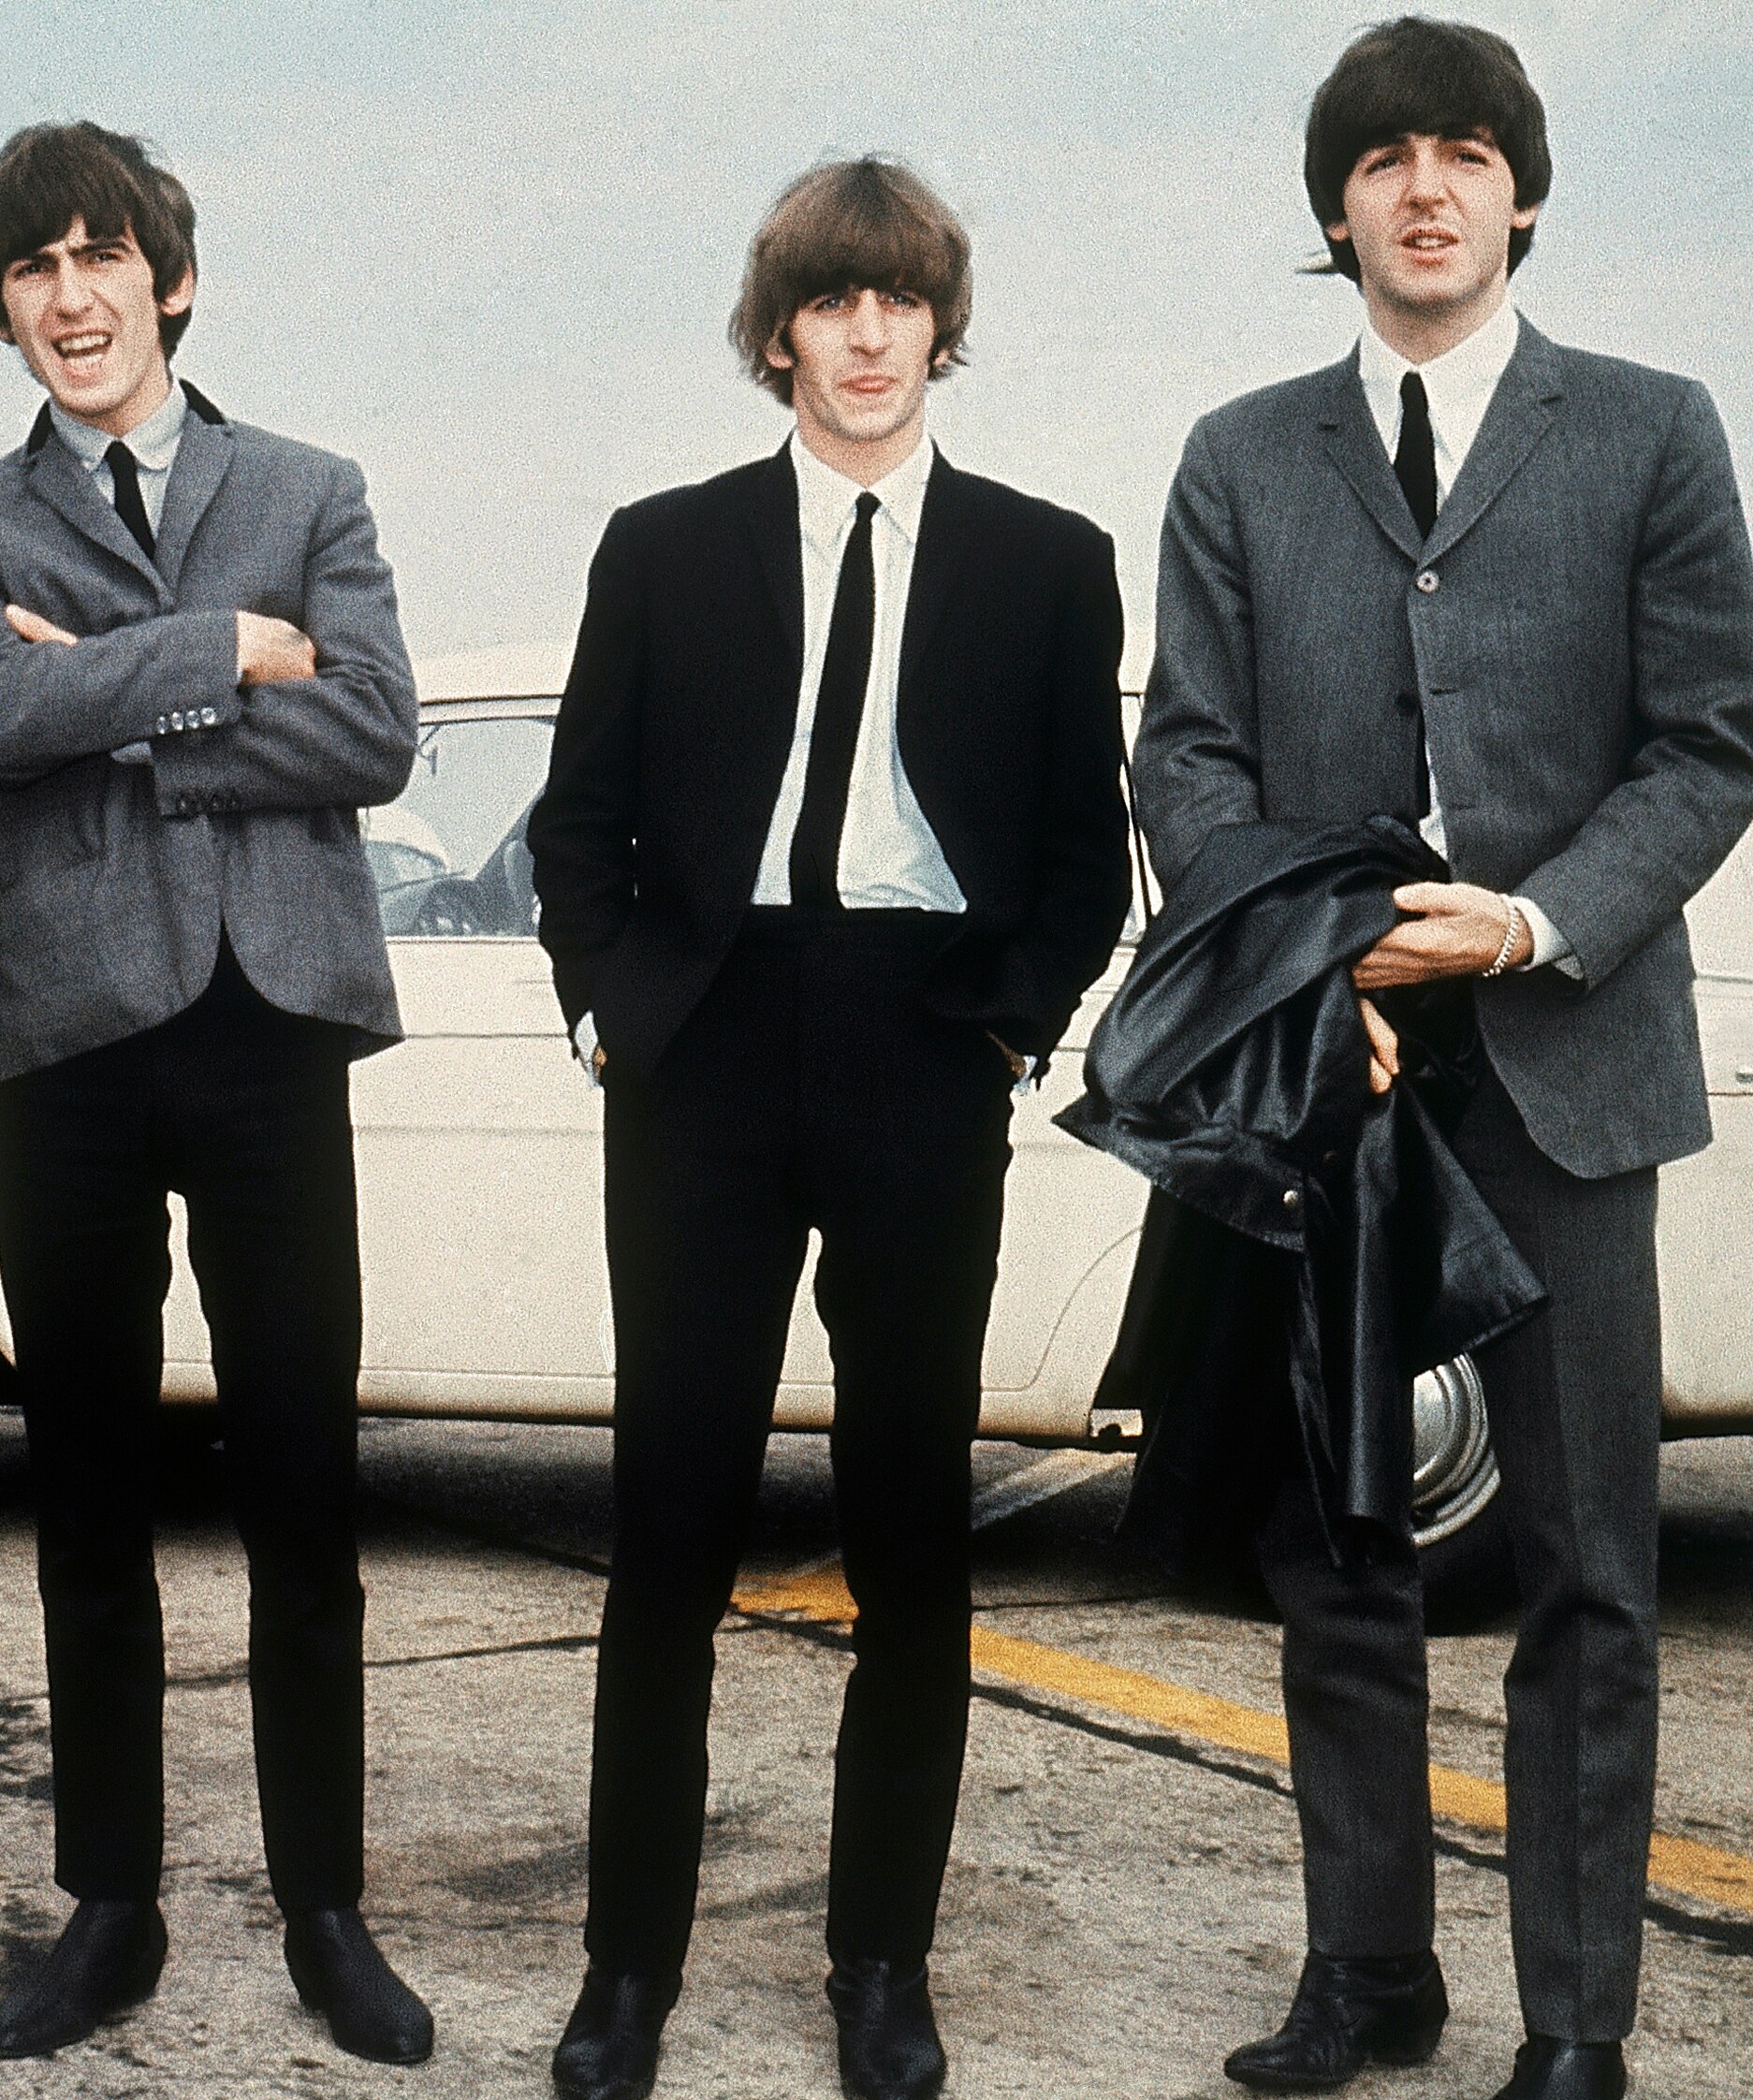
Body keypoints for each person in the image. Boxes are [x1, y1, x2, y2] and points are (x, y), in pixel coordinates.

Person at [1135, 22, 1753, 2100]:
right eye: (1387, 158)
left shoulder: (1652, 433)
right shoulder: (1240, 456)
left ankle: (1574, 2024)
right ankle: (1370, 1979)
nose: (1427, 187)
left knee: (1589, 1561)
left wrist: (1530, 918)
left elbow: (1708, 745)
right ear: (1336, 211)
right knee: (1338, 1546)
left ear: (1519, 194)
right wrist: (1316, 973)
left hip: (1571, 1067)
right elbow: (1191, 755)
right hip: (1341, 1080)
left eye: (1467, 154)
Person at [526, 157, 1131, 2100]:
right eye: (830, 301)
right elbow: (576, 824)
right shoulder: (665, 546)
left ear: (938, 326)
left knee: (911, 1538)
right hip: (702, 1049)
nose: (867, 337)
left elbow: (1077, 858)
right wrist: (625, 1013)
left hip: (916, 1046)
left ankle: (882, 1964)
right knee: (669, 1528)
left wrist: (1001, 1029)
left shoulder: (1047, 561)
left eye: (899, 303)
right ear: (777, 327)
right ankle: (628, 1972)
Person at [0, 120, 431, 2070]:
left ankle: (326, 1910)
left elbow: (373, 729)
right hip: (73, 1047)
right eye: (32, 269)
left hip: (273, 1026)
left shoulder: (312, 484)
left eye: (101, 257)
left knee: (305, 1488)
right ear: (7, 309)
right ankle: (107, 1906)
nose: (70, 296)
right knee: (88, 1499)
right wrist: (218, 652)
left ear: (170, 280)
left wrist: (118, 693)